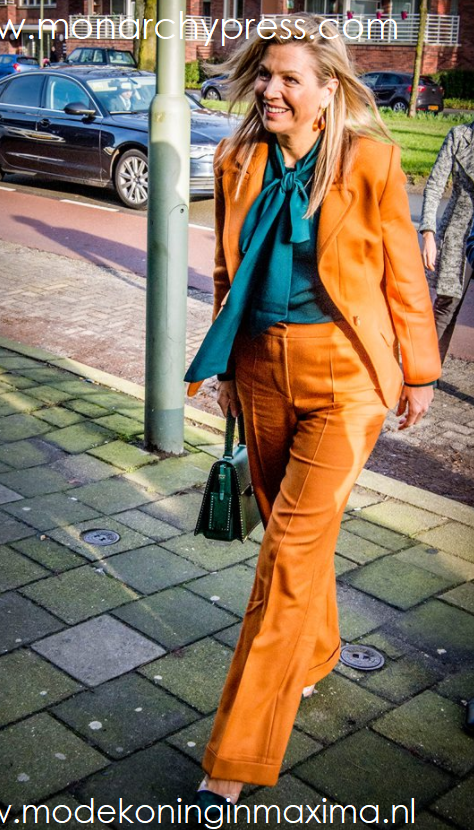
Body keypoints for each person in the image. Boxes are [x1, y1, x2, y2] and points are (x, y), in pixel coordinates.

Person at [184, 14, 440, 809]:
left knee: (287, 558)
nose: (270, 90)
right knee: (289, 530)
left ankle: (233, 760)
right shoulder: (237, 159)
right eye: (264, 75)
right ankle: (318, 648)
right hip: (260, 368)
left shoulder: (370, 161)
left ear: (328, 91)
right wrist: (228, 366)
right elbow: (227, 269)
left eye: (289, 78)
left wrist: (419, 370)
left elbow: (402, 271)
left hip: (346, 376)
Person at [419, 121, 474, 364]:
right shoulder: (460, 136)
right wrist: (428, 233)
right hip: (457, 235)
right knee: (447, 307)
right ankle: (427, 371)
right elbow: (434, 186)